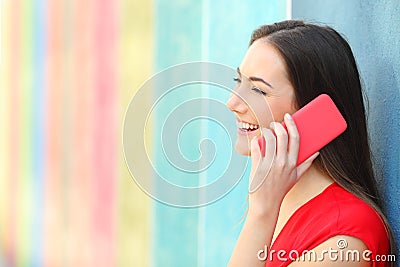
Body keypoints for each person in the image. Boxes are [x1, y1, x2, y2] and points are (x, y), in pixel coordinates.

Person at [226, 20, 394, 267]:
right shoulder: (277, 197)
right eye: (238, 81)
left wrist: (260, 214)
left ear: (315, 111)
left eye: (259, 91)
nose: (232, 102)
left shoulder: (345, 238)